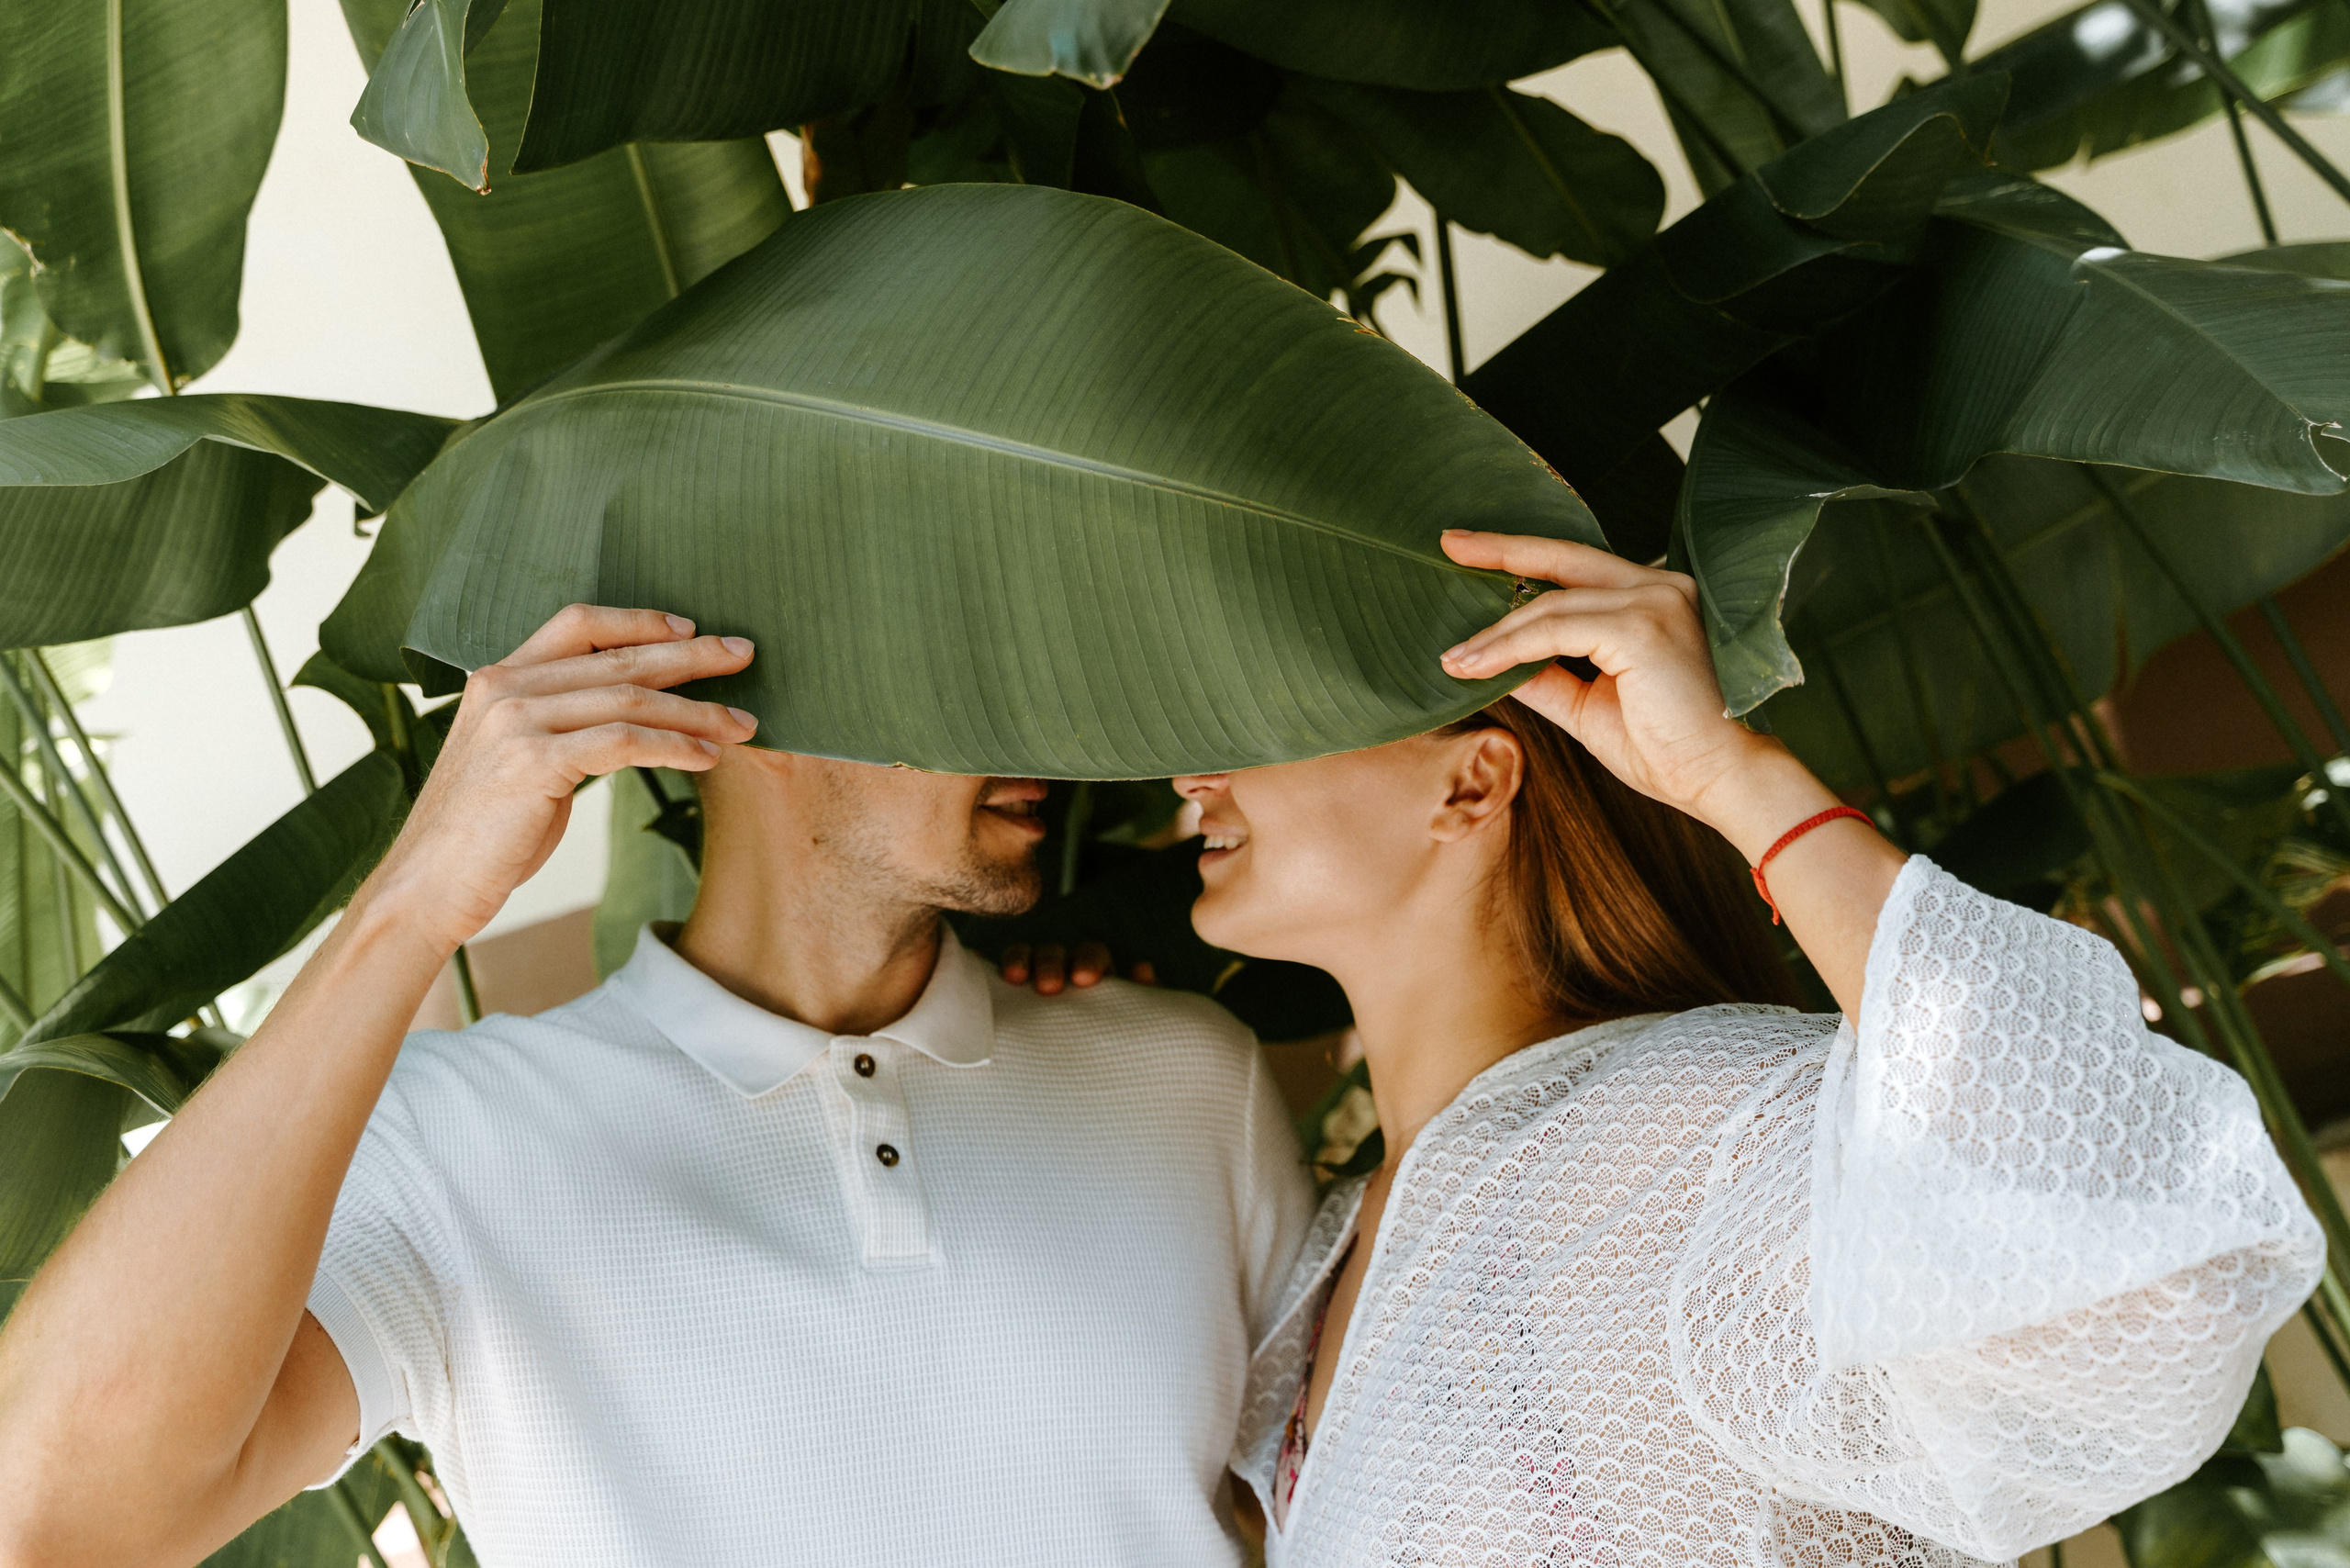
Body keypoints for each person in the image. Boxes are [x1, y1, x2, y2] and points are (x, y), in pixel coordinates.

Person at [0, 607, 1314, 1567]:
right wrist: (412, 906)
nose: (1051, 715)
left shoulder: (1189, 1079)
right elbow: (54, 1512)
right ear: (732, 688)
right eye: (974, 639)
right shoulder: (455, 1141)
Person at [1169, 531, 2323, 1566]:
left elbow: (2151, 1280)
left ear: (1470, 780)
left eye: (1263, 711)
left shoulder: (1682, 1137)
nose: (1189, 771)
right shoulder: (1331, 1251)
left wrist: (1734, 777)